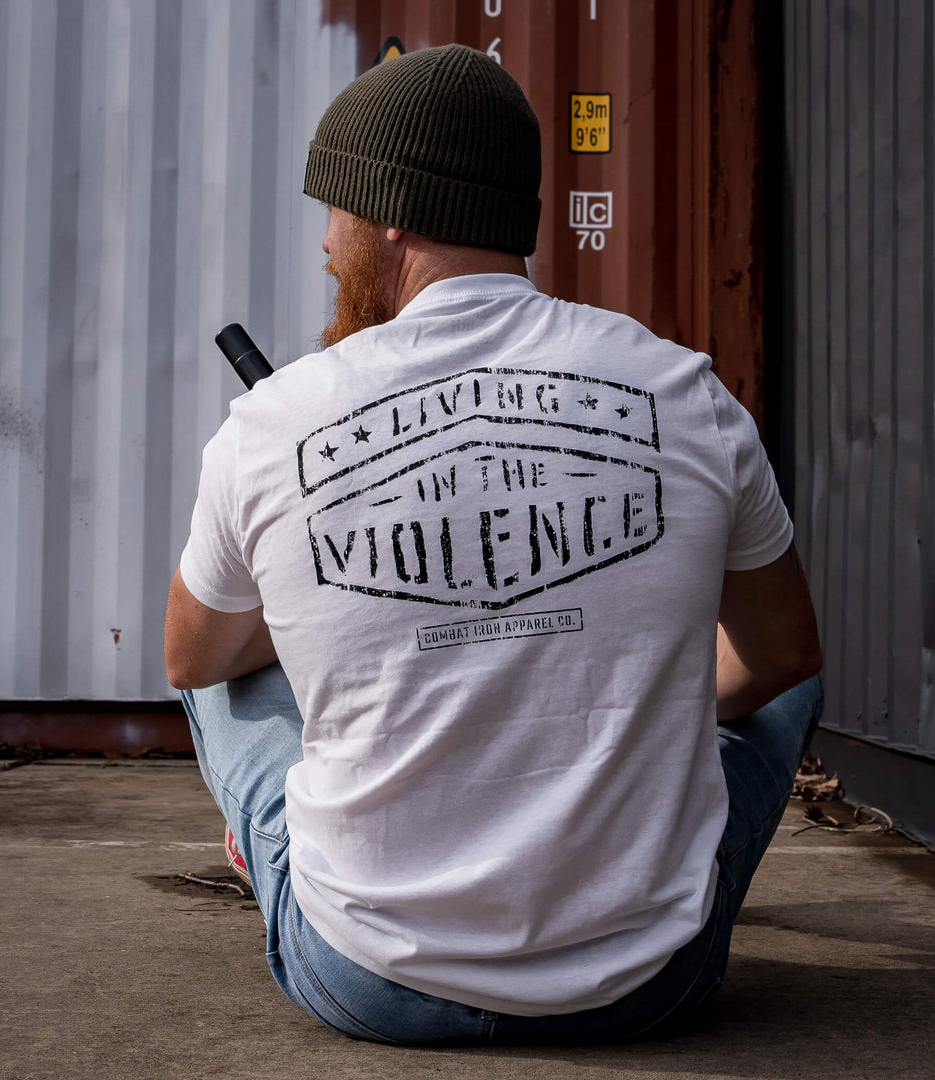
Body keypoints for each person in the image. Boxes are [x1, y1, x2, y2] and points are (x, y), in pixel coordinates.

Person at [164, 43, 822, 1046]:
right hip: (646, 985)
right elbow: (783, 654)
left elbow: (190, 656)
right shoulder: (686, 392)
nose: (327, 248)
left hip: (369, 979)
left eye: (334, 211)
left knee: (224, 674)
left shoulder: (276, 423)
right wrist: (630, 715)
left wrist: (337, 626)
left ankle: (285, 851)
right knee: (790, 684)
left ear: (392, 215)